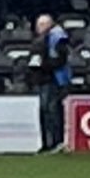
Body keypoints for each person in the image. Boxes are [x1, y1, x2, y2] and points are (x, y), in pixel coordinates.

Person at [30, 14, 72, 154]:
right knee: (45, 111)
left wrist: (43, 65)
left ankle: (56, 142)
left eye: (42, 24)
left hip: (53, 79)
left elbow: (61, 60)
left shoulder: (57, 38)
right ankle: (48, 143)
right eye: (38, 24)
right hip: (43, 79)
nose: (39, 27)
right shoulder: (43, 40)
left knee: (52, 110)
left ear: (49, 24)